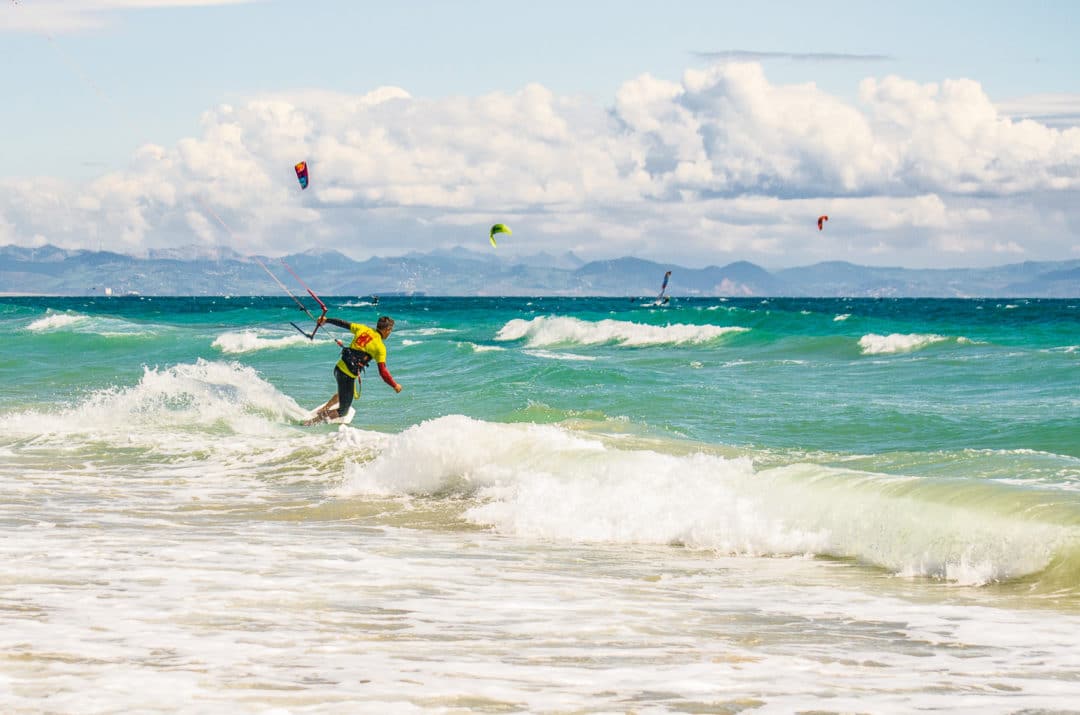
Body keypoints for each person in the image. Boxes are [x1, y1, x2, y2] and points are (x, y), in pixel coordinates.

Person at [304, 315, 402, 425]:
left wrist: (327, 320)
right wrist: (395, 385)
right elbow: (383, 372)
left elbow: (343, 323)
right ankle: (312, 422)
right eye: (390, 330)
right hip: (347, 376)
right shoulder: (380, 347)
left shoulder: (363, 329)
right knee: (343, 411)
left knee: (344, 391)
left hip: (338, 369)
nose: (390, 333)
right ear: (387, 329)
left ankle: (324, 409)